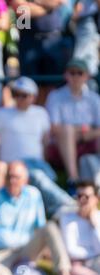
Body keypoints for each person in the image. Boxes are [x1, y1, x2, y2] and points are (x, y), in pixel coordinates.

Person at [0, 76, 76, 217]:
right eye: (16, 94)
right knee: (39, 178)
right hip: (15, 165)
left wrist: (45, 161)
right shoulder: (1, 113)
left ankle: (55, 210)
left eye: (24, 95)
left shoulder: (41, 113)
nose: (19, 98)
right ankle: (70, 205)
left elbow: (44, 142)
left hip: (38, 162)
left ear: (33, 96)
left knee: (46, 179)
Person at [45, 59, 100, 192]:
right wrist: (82, 131)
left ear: (86, 76)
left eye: (79, 73)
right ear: (66, 75)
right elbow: (55, 128)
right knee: (67, 131)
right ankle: (73, 179)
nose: (75, 76)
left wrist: (84, 134)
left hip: (88, 140)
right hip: (61, 144)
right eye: (72, 73)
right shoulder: (55, 96)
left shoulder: (94, 98)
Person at [60, 181, 100, 275]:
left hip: (97, 261)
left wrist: (94, 225)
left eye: (86, 196)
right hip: (77, 265)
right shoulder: (67, 218)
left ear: (96, 198)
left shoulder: (98, 218)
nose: (82, 200)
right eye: (79, 196)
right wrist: (92, 254)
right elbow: (71, 250)